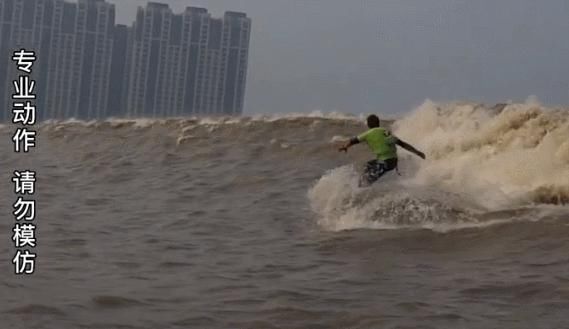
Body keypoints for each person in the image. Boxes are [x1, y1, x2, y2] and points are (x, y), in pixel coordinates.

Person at [338, 114, 426, 186]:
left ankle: (363, 191)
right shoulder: (386, 132)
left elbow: (354, 140)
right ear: (378, 123)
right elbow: (402, 144)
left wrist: (346, 146)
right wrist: (418, 153)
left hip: (384, 162)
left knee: (365, 182)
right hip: (393, 161)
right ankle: (365, 187)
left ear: (368, 124)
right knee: (368, 165)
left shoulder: (368, 133)